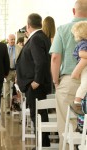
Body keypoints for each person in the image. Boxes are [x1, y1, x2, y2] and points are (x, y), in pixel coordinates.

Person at [49, 0, 87, 149]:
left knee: (67, 128)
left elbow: (55, 57)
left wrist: (55, 81)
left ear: (73, 11)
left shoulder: (63, 29)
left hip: (69, 82)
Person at [16, 13, 52, 150]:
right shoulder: (41, 36)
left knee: (37, 114)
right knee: (39, 114)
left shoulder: (36, 38)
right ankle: (43, 143)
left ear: (28, 25)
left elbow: (41, 61)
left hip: (36, 85)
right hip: (36, 84)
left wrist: (36, 81)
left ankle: (42, 144)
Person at [70, 21, 87, 115]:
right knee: (85, 84)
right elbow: (81, 54)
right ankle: (77, 102)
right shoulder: (84, 43)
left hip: (83, 67)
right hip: (84, 67)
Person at [5, 34, 21, 113]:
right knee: (7, 90)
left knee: (18, 90)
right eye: (11, 39)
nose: (13, 41)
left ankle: (17, 106)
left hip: (16, 71)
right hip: (7, 72)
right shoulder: (4, 48)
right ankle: (8, 108)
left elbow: (21, 62)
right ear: (7, 40)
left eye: (14, 39)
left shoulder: (19, 48)